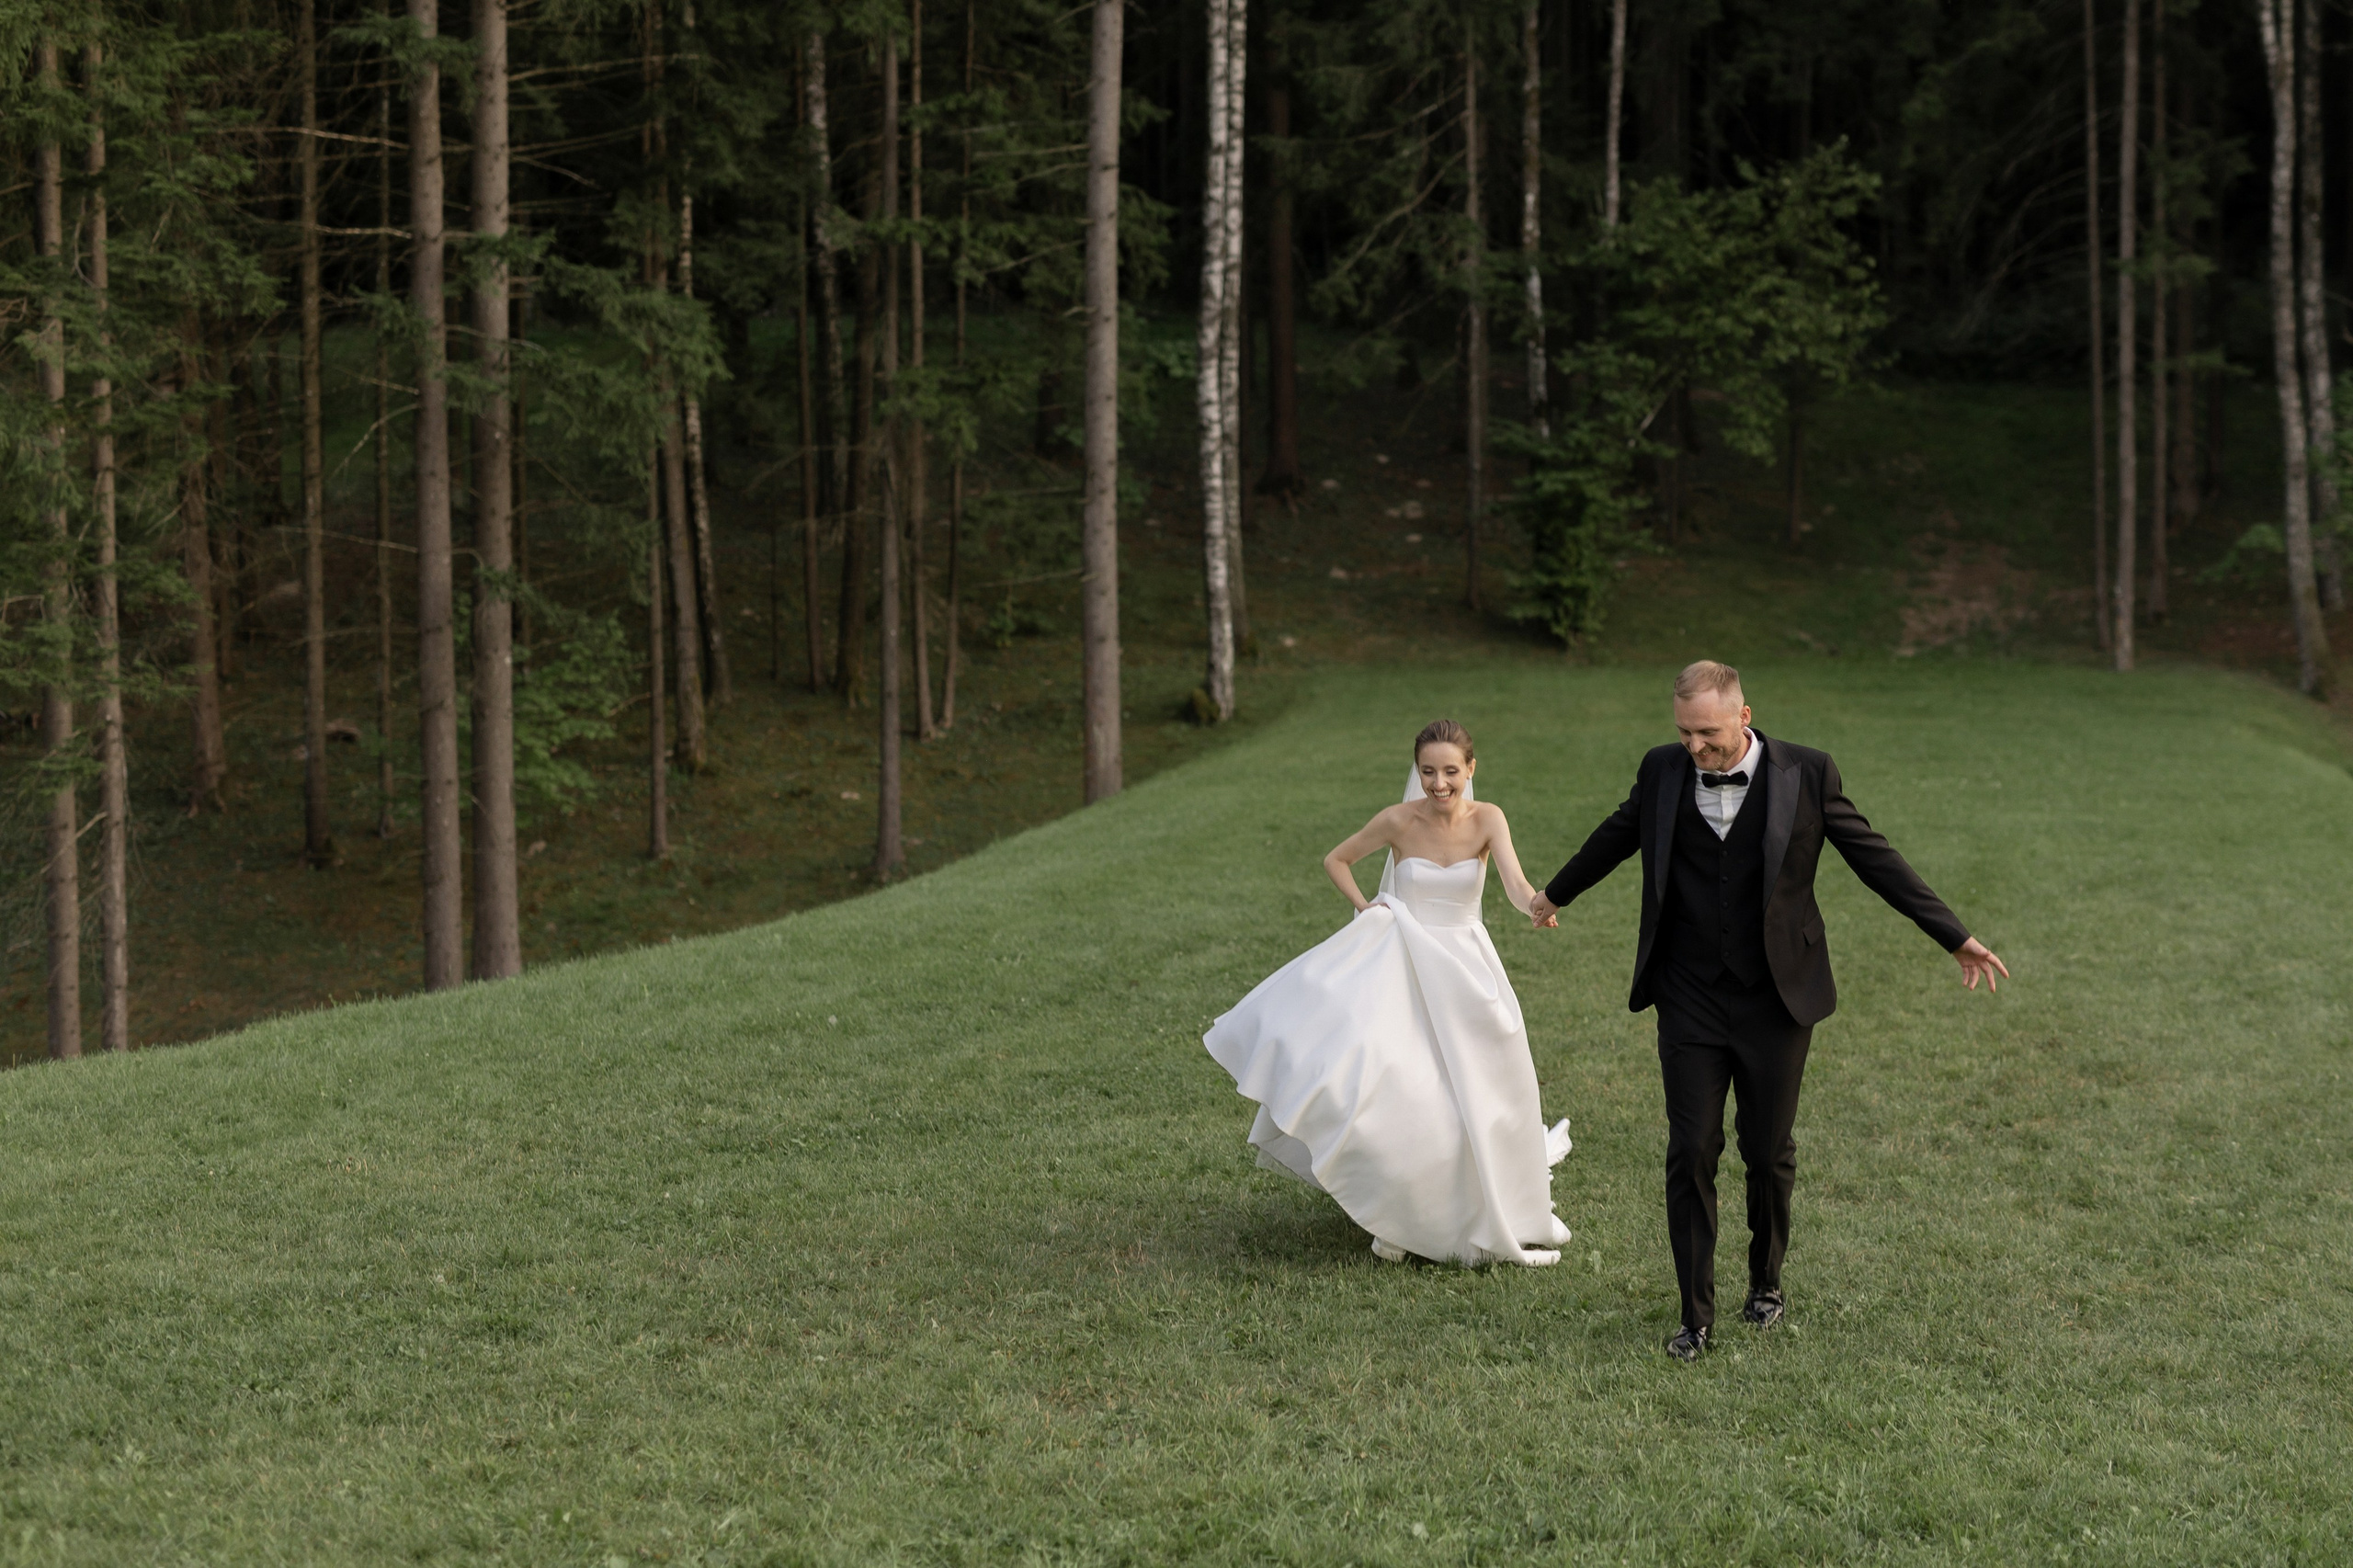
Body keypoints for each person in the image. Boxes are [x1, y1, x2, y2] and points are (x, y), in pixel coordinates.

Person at [1529, 660, 2008, 1359]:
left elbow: (1875, 856)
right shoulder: (1663, 770)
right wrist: (1556, 894)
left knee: (1766, 1150)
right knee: (1691, 1148)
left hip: (1777, 997)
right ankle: (1695, 1317)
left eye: (1709, 733)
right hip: (1689, 992)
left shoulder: (1807, 773)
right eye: (1685, 732)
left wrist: (1954, 936)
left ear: (1743, 716)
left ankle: (1766, 1283)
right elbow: (1617, 832)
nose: (1695, 747)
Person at [1203, 720, 1574, 1267]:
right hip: (1403, 957)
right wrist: (1367, 906)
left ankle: (1468, 1200)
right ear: (1417, 771)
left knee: (1475, 1087)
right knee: (1399, 1084)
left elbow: (1516, 887)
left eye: (1451, 771)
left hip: (1464, 964)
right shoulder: (1398, 820)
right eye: (1429, 771)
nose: (1440, 783)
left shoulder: (1489, 819)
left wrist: (1538, 907)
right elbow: (1337, 859)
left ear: (1471, 769)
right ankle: (1398, 1211)